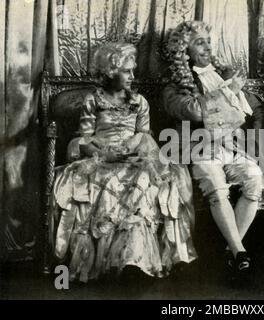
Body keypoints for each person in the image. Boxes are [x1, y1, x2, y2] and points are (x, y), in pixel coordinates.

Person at [52, 42, 197, 283]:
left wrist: (135, 151)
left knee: (145, 179)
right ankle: (111, 261)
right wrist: (105, 153)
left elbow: (144, 137)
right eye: (127, 71)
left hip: (135, 158)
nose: (132, 76)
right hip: (102, 157)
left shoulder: (139, 102)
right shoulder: (93, 100)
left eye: (133, 71)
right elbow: (84, 138)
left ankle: (134, 257)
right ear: (110, 71)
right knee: (106, 180)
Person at [161, 21, 264, 280]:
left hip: (232, 148)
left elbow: (252, 108)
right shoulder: (173, 86)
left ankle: (230, 251)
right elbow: (194, 110)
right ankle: (240, 253)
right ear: (184, 51)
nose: (207, 47)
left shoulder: (222, 75)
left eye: (208, 41)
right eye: (199, 42)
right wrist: (228, 92)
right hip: (198, 149)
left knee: (254, 178)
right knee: (216, 185)